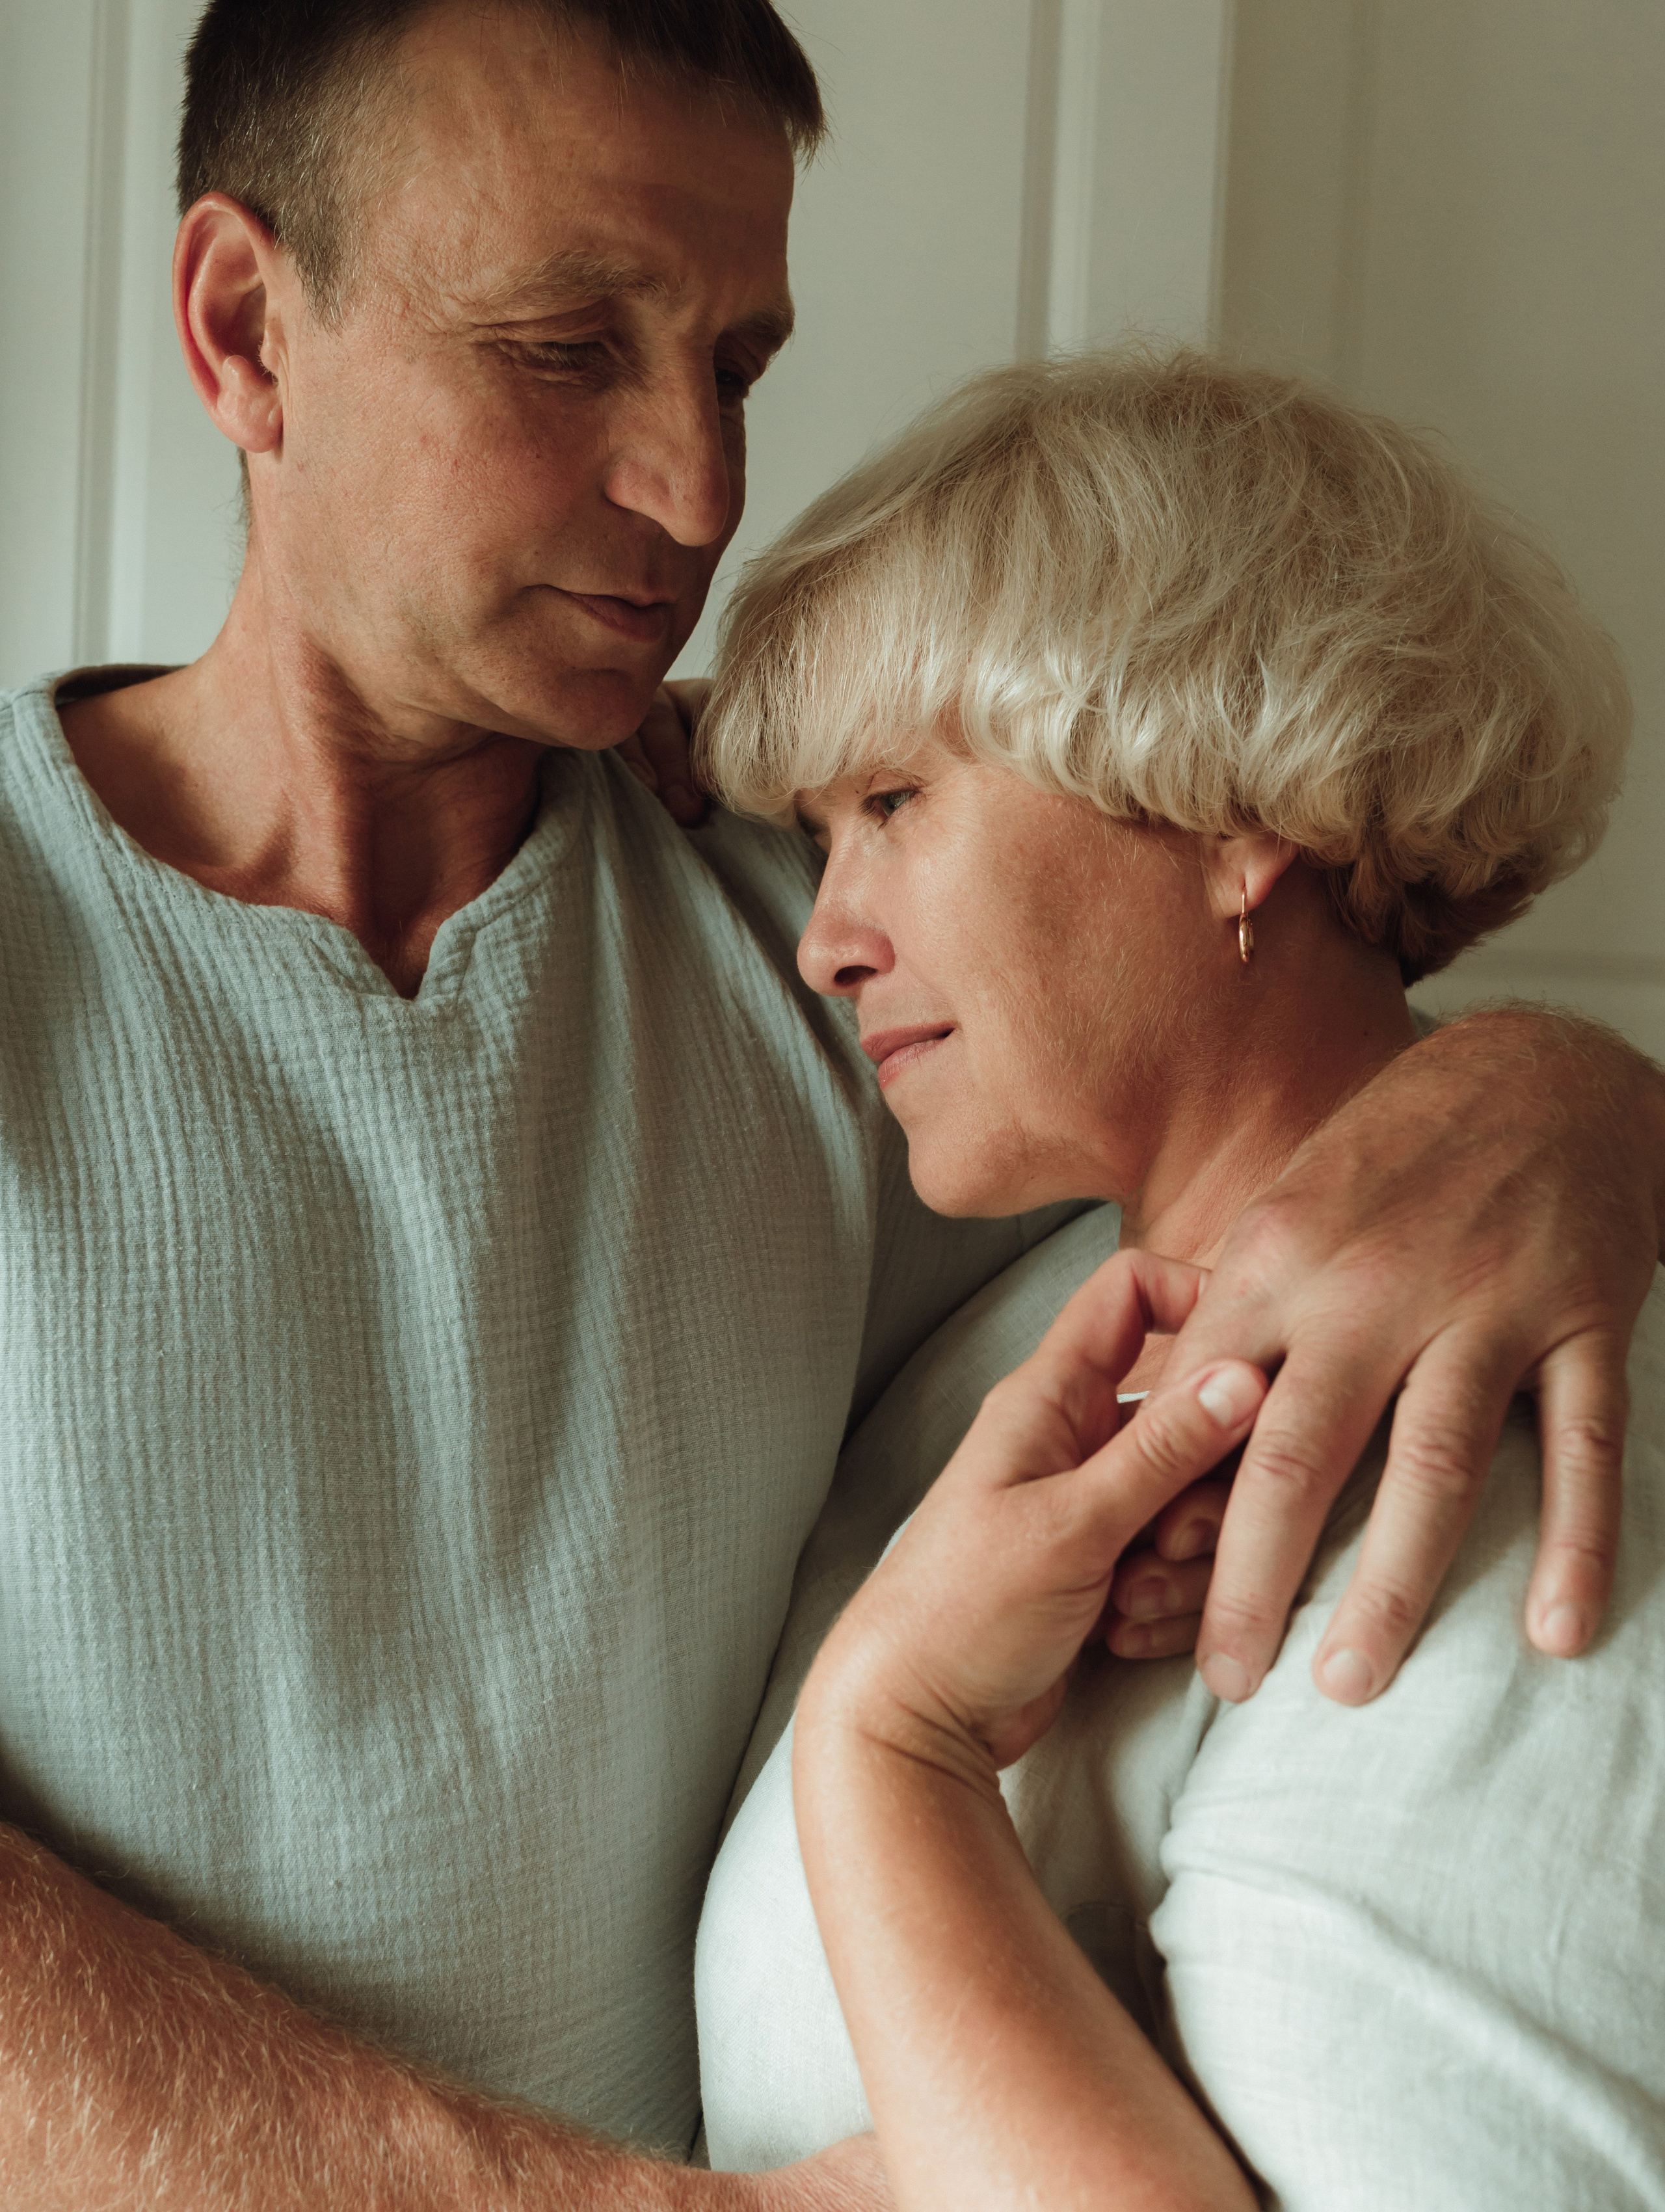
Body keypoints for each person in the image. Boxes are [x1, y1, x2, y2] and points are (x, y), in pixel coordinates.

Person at [1, 0, 1662, 2200]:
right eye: (566, 348)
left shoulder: (850, 957)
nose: (700, 492)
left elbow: (1278, 1006)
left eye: (739, 365)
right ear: (244, 326)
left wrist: (1578, 1104)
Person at [691, 347, 1665, 2207]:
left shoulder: (1477, 1466)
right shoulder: (1011, 1319)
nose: (823, 940)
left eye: (894, 799)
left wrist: (887, 1748)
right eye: (817, 841)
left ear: (1235, 812)